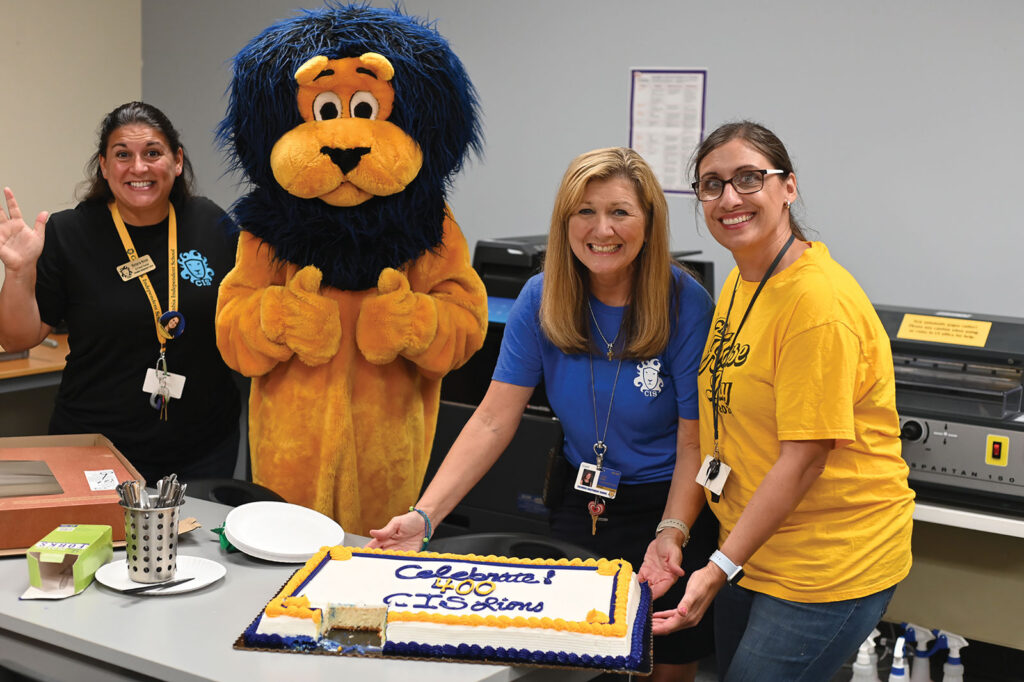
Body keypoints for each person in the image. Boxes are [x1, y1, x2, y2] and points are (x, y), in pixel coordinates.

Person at [369, 147, 718, 681]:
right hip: (583, 502)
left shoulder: (684, 303)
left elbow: (696, 443)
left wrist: (671, 533)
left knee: (658, 665)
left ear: (649, 221)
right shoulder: (542, 297)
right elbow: (493, 418)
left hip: (669, 509)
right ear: (565, 222)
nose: (602, 228)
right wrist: (425, 516)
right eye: (585, 211)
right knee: (566, 660)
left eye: (620, 211)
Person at [641, 120, 915, 681]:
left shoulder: (817, 303)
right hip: (751, 549)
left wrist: (716, 568)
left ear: (788, 186)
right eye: (711, 184)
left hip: (826, 564)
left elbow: (804, 458)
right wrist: (676, 530)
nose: (729, 198)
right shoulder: (744, 281)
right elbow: (714, 427)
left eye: (749, 178)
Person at [0, 101, 240, 484]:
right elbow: (17, 339)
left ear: (177, 161)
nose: (139, 168)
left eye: (153, 153)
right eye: (123, 155)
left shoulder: (210, 222)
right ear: (104, 165)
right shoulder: (69, 233)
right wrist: (18, 271)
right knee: (100, 543)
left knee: (195, 545)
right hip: (97, 445)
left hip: (202, 446)